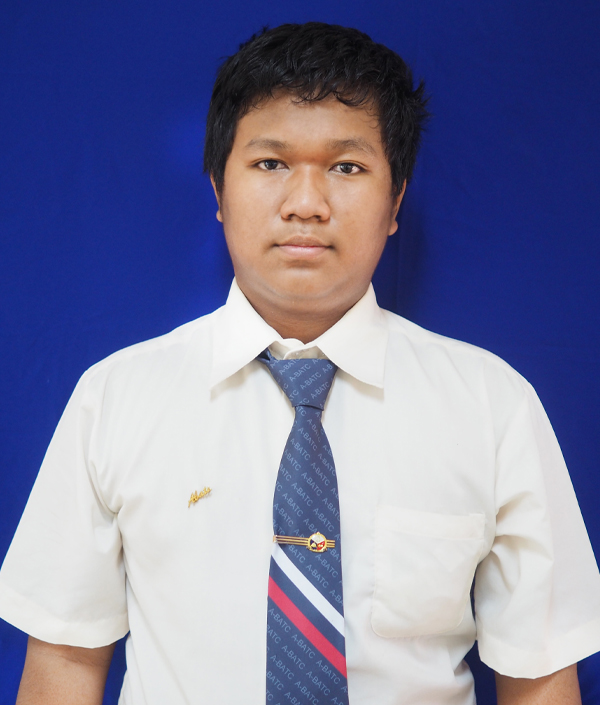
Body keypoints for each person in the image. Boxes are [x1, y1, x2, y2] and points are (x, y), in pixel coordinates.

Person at [1, 22, 600, 705]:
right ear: (218, 191)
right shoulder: (116, 398)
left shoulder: (491, 406)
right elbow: (66, 662)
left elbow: (540, 676)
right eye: (270, 164)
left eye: (347, 168)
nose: (306, 205)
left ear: (396, 201)